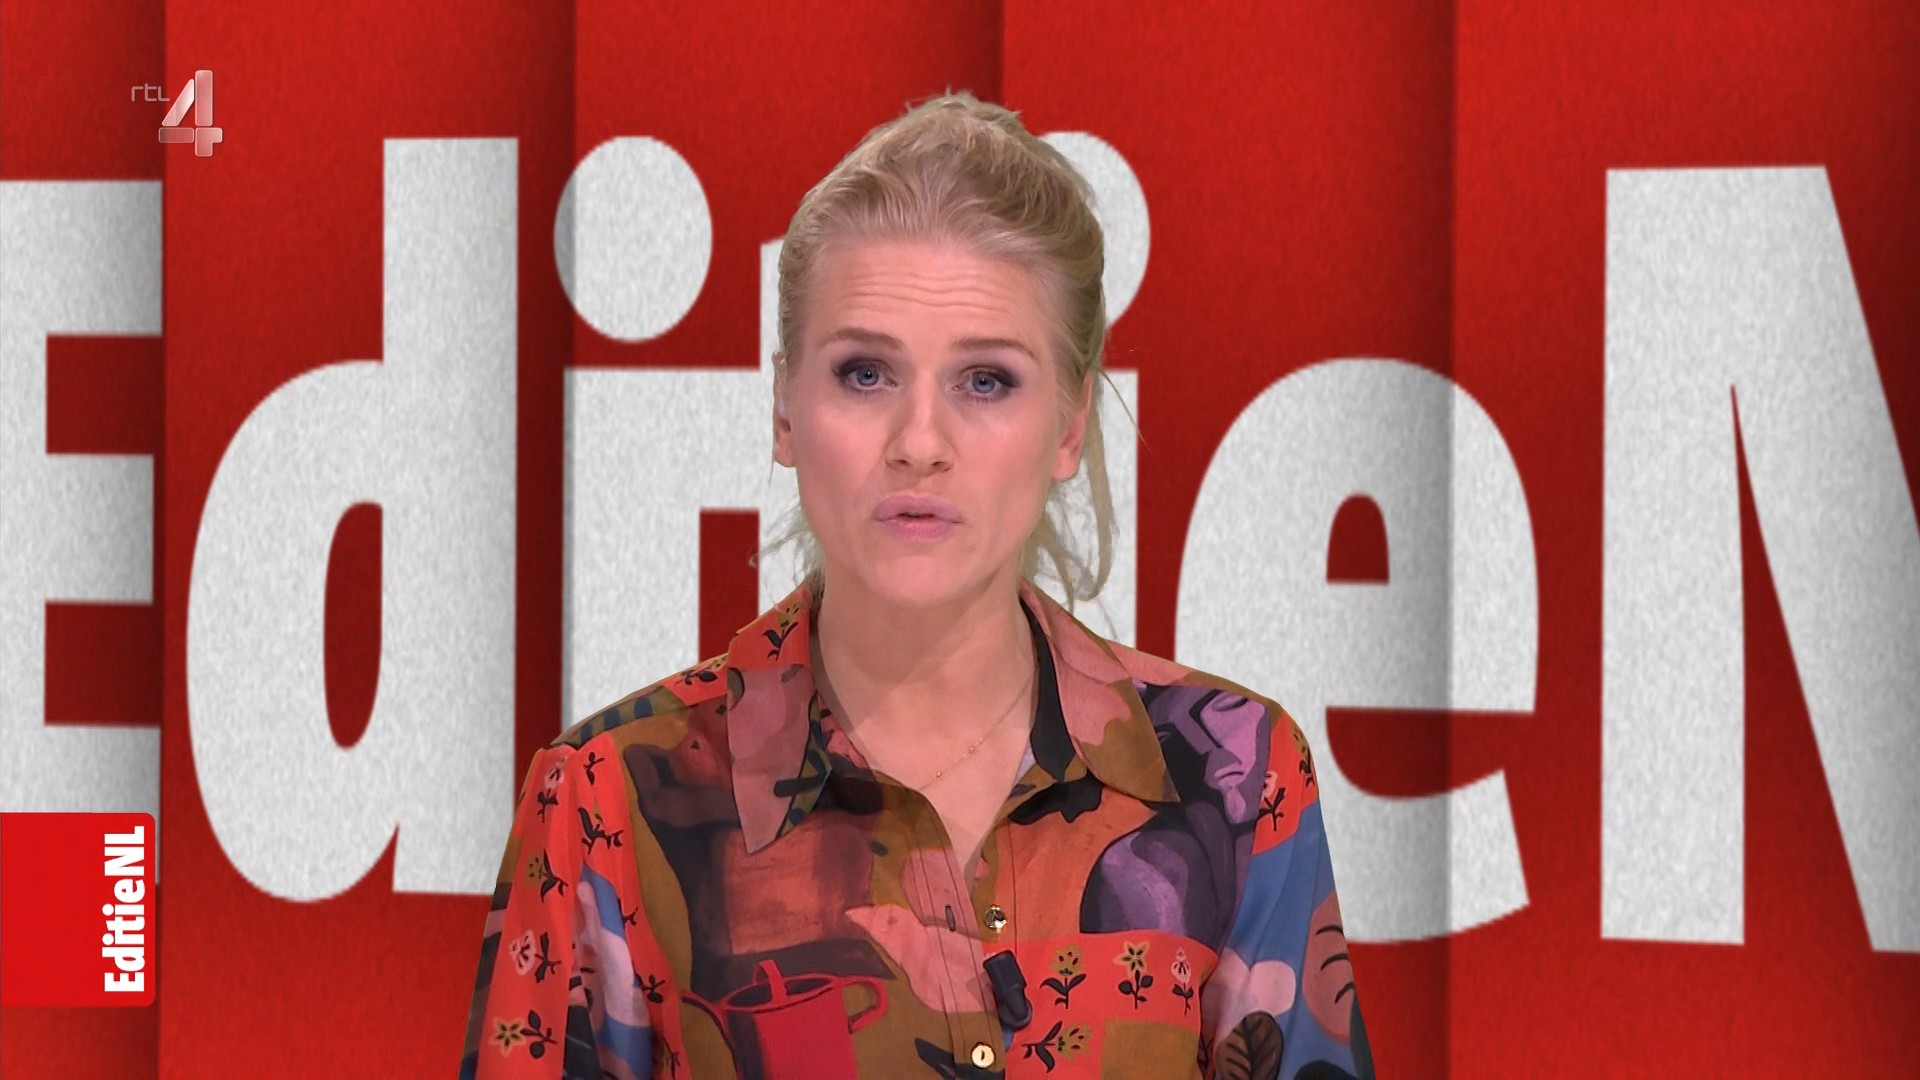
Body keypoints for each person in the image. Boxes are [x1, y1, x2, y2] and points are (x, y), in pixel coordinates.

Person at [459, 90, 1374, 1080]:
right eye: (865, 374)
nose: (920, 442)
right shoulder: (601, 800)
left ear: (1069, 427)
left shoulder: (1236, 778)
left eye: (986, 380)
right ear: (785, 410)